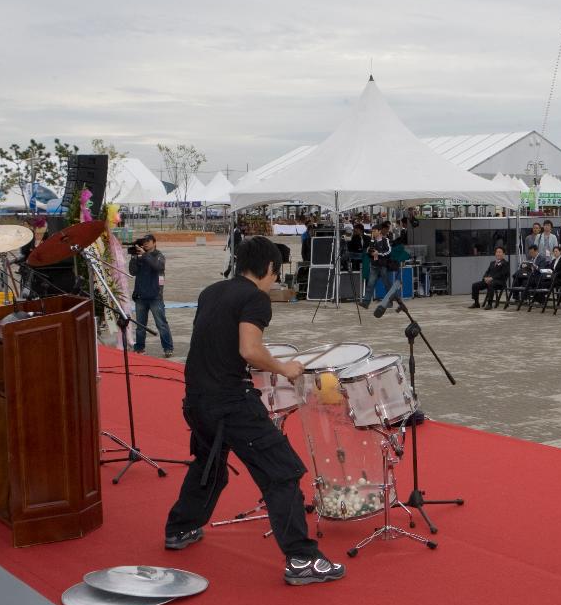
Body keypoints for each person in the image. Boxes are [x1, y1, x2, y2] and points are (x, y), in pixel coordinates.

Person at [163, 236, 344, 585]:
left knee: (210, 465)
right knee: (283, 471)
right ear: (270, 268)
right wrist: (283, 368)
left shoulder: (211, 291)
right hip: (230, 402)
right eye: (277, 272)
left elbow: (220, 344)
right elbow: (249, 349)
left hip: (197, 398)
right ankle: (302, 559)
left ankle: (180, 529)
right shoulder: (255, 298)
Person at [129, 233, 174, 357]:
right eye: (144, 241)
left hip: (155, 297)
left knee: (161, 324)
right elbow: (132, 272)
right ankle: (139, 348)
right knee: (140, 326)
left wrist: (144, 255)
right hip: (140, 297)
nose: (146, 243)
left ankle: (168, 348)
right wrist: (134, 257)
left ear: (154, 242)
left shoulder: (159, 256)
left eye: (148, 241)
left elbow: (157, 266)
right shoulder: (140, 256)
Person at [361, 223, 398, 308]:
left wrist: (379, 253)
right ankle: (366, 302)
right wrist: (369, 252)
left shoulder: (385, 240)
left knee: (386, 284)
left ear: (379, 231)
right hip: (374, 264)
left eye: (374, 231)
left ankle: (389, 302)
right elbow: (370, 252)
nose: (373, 233)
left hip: (382, 265)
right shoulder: (372, 241)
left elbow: (389, 251)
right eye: (372, 231)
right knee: (370, 283)